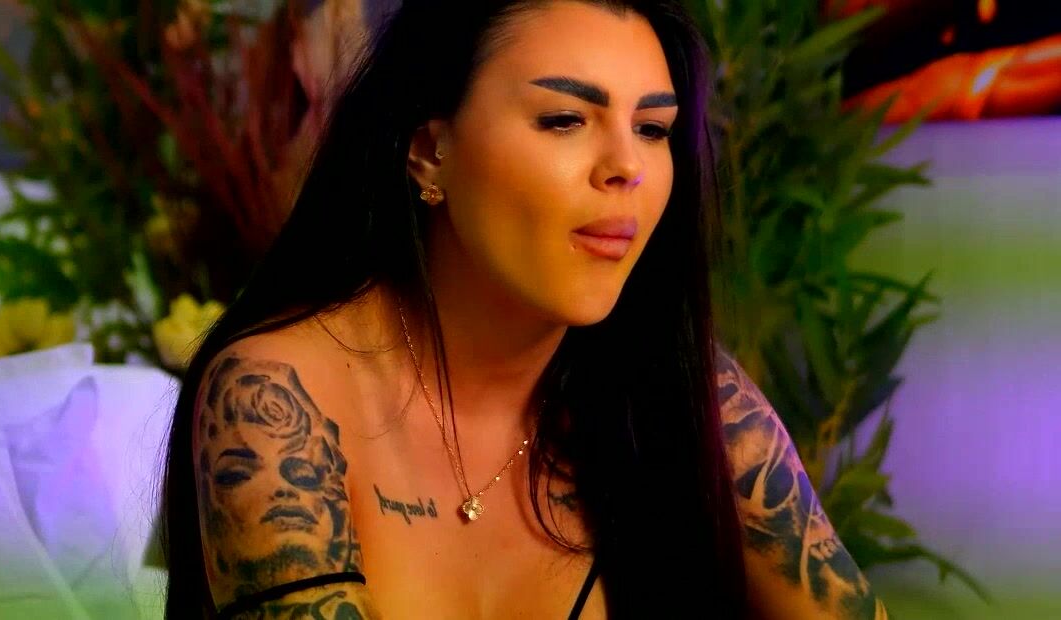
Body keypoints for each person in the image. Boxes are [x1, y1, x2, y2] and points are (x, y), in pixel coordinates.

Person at [159, 1, 890, 618]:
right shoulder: (278, 396)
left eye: (653, 129)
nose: (627, 168)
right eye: (566, 119)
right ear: (429, 150)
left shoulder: (695, 396)